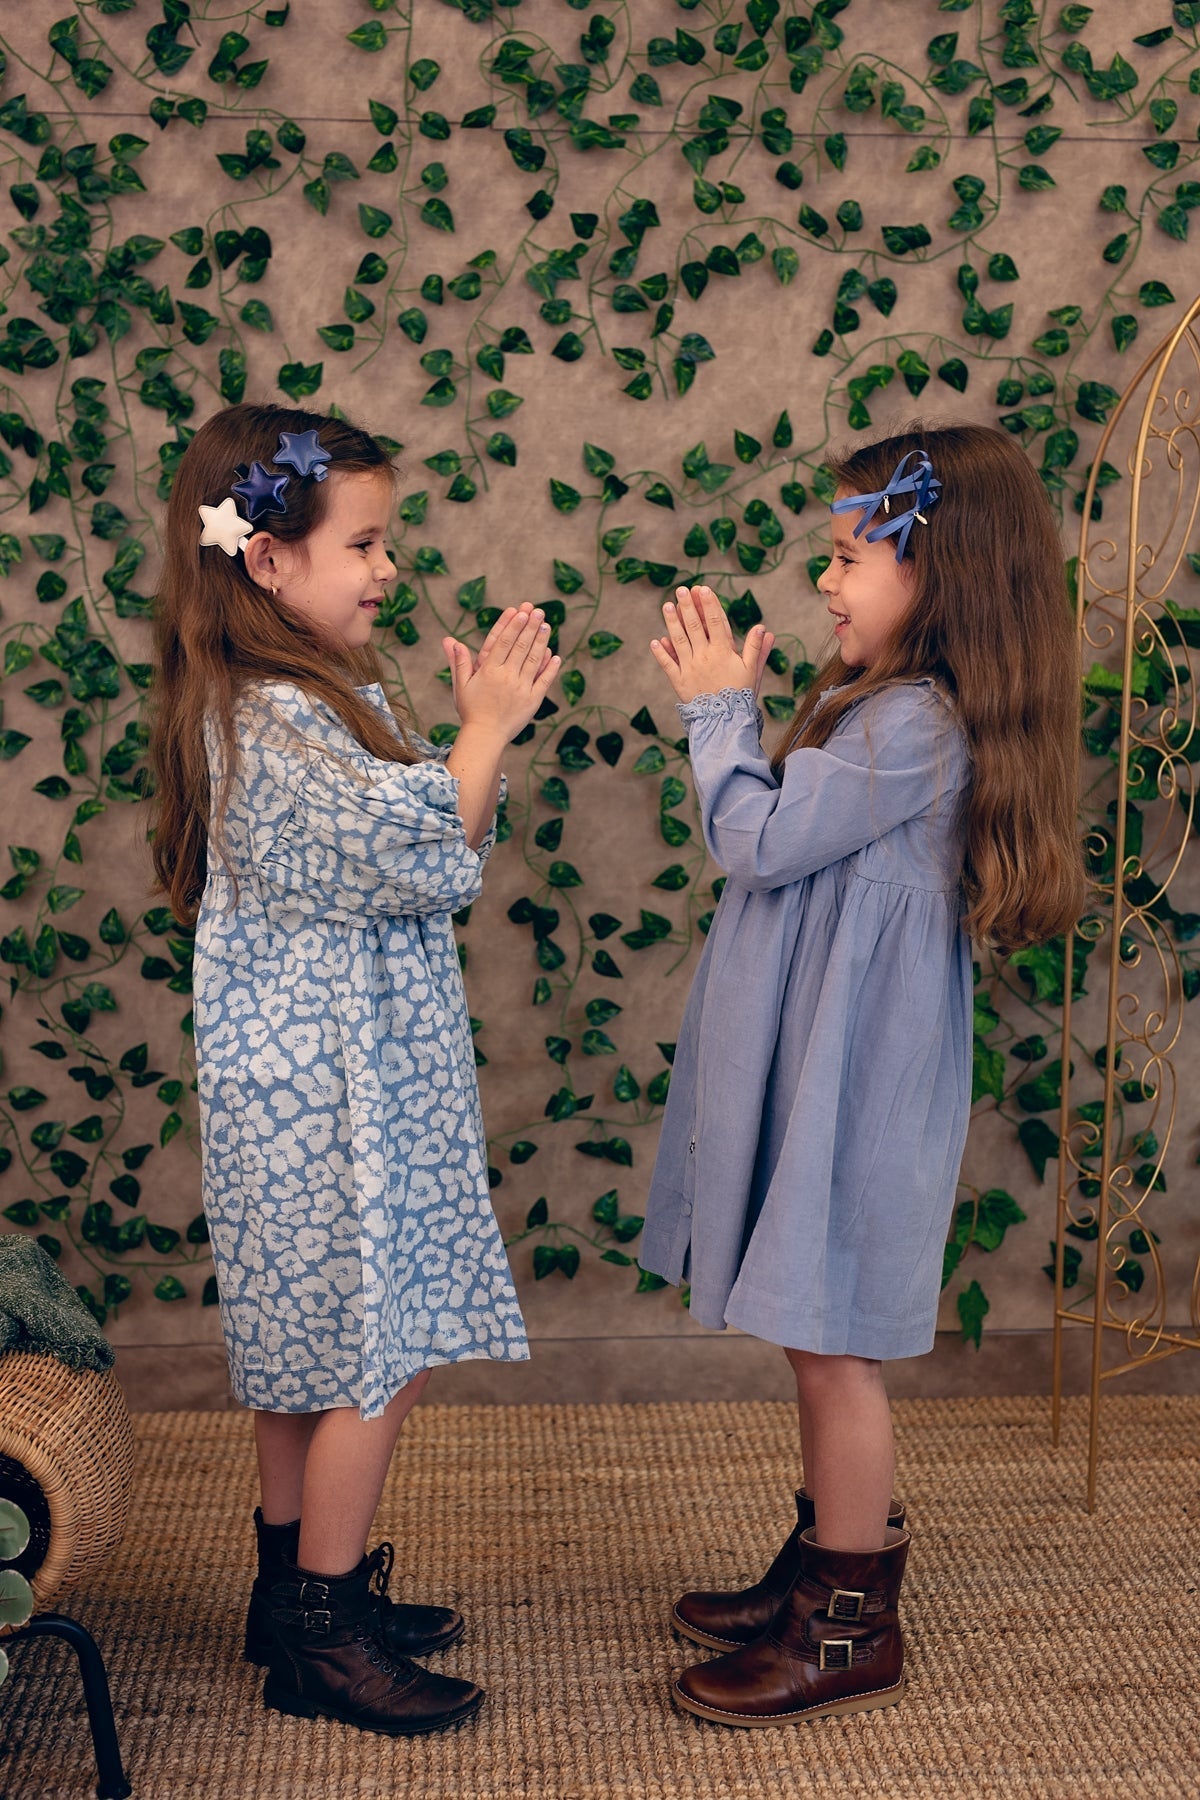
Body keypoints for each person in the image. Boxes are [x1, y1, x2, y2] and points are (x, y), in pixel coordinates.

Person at [641, 424, 1085, 1727]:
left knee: (835, 1347)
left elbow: (760, 840)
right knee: (815, 1333)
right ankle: (822, 1563)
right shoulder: (894, 711)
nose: (825, 582)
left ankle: (848, 1623)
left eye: (848, 556)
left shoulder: (918, 727)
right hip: (834, 1073)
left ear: (940, 572)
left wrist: (718, 712)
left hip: (860, 1089)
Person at [149, 402, 558, 1736]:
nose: (389, 567)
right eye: (366, 544)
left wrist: (462, 745)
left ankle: (290, 1593)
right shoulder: (276, 718)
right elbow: (430, 850)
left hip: (316, 1085)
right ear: (267, 559)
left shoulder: (292, 698)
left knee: (306, 1357)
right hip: (332, 1102)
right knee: (377, 1354)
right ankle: (319, 1637)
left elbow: (423, 836)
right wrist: (485, 729)